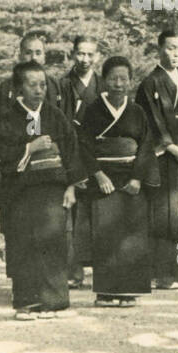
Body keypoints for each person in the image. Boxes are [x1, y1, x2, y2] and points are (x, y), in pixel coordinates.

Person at [0, 62, 85, 319]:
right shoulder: (8, 117)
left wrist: (72, 186)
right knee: (23, 244)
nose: (39, 90)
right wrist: (29, 148)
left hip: (53, 190)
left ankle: (55, 303)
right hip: (21, 190)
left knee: (54, 243)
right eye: (32, 85)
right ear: (18, 89)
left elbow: (71, 150)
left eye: (43, 85)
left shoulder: (54, 115)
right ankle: (27, 303)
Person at [73, 56, 159, 306]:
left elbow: (146, 146)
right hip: (104, 178)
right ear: (104, 81)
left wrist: (137, 178)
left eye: (123, 79)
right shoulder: (92, 110)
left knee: (132, 236)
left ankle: (129, 291)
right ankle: (106, 292)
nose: (118, 84)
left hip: (131, 178)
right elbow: (83, 145)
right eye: (113, 79)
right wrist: (98, 174)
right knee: (105, 235)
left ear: (131, 81)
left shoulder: (137, 112)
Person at [135, 30, 178, 289]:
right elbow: (151, 123)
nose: (176, 53)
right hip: (165, 158)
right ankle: (164, 275)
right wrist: (173, 149)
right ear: (159, 50)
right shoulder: (150, 84)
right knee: (166, 217)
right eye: (170, 48)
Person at [57, 35, 103, 288]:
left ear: (97, 56)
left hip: (98, 156)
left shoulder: (104, 84)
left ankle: (103, 273)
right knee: (71, 217)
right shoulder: (62, 85)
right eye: (80, 53)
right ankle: (73, 272)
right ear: (73, 54)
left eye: (90, 54)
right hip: (71, 153)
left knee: (99, 213)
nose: (85, 59)